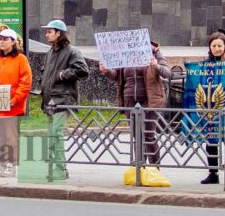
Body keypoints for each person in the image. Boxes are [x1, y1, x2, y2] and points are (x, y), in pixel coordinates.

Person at [100, 39, 170, 173]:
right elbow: (117, 75)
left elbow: (167, 73)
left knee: (148, 134)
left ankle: (155, 170)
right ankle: (140, 170)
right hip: (130, 100)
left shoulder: (155, 54)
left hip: (149, 100)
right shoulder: (126, 55)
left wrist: (157, 66)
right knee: (136, 136)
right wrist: (107, 71)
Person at [39, 19, 88, 183]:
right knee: (52, 135)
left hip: (63, 99)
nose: (46, 34)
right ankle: (58, 168)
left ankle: (59, 169)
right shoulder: (50, 52)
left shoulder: (72, 51)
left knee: (56, 134)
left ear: (58, 33)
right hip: (50, 100)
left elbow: (83, 70)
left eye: (49, 31)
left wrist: (64, 74)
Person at [0, 28, 32, 178]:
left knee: (11, 137)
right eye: (0, 38)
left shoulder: (21, 59)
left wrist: (14, 100)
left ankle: (11, 165)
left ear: (14, 42)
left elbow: (25, 83)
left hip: (12, 108)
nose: (1, 41)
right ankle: (3, 165)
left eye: (5, 39)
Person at [198, 31, 225, 185]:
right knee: (211, 140)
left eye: (220, 46)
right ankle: (213, 172)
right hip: (211, 107)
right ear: (210, 47)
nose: (217, 49)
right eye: (214, 46)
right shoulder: (206, 63)